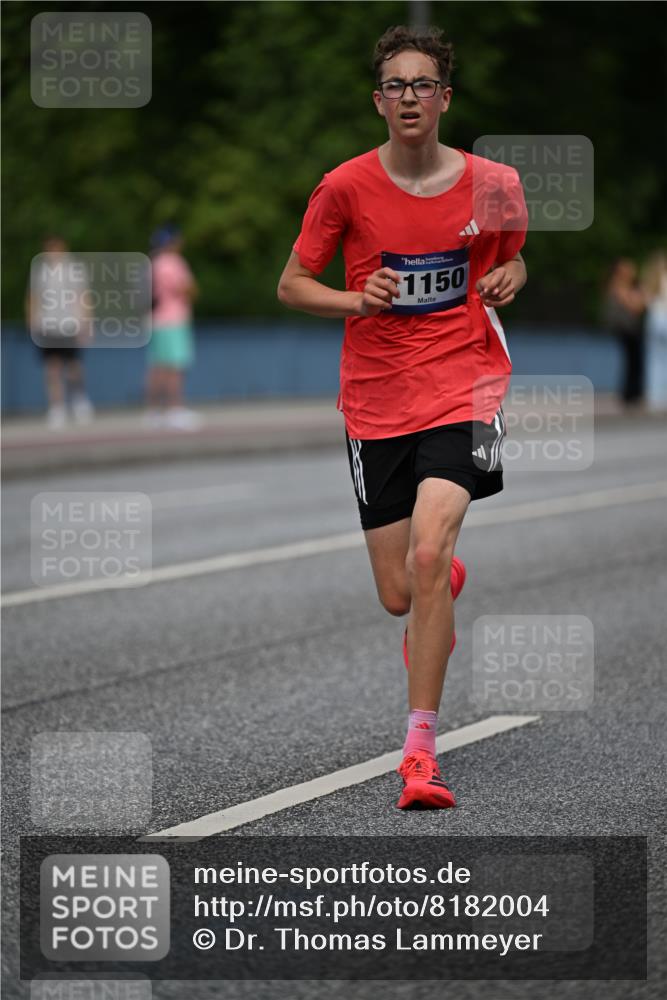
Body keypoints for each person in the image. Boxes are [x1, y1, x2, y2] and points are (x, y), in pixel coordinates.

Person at [278, 24, 528, 810]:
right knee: (401, 590)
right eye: (395, 85)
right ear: (377, 100)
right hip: (376, 399)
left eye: (423, 84)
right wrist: (357, 298)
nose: (409, 97)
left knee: (427, 554)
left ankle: (419, 752)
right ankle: (434, 592)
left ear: (444, 98)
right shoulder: (345, 187)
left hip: (465, 385)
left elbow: (510, 255)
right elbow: (291, 284)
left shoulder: (493, 183)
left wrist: (510, 274)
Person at [26, 235, 95, 429]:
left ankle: (79, 401)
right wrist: (32, 322)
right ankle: (57, 407)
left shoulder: (74, 269)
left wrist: (86, 322)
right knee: (52, 367)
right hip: (47, 325)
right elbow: (33, 297)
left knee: (74, 366)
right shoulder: (40, 270)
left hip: (70, 325)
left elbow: (83, 297)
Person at [145, 225, 201, 430]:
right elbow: (189, 290)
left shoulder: (152, 263)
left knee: (157, 367)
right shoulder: (173, 263)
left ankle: (153, 411)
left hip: (156, 320)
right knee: (175, 367)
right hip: (174, 320)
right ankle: (174, 410)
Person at [604, 258, 646, 406]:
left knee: (634, 361)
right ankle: (630, 393)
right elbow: (635, 307)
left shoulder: (624, 286)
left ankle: (632, 392)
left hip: (629, 329)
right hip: (627, 330)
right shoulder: (619, 286)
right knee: (633, 361)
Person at [641, 250, 667, 411]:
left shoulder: (649, 280)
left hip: (652, 318)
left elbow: (645, 300)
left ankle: (655, 398)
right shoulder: (665, 278)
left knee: (654, 360)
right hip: (665, 317)